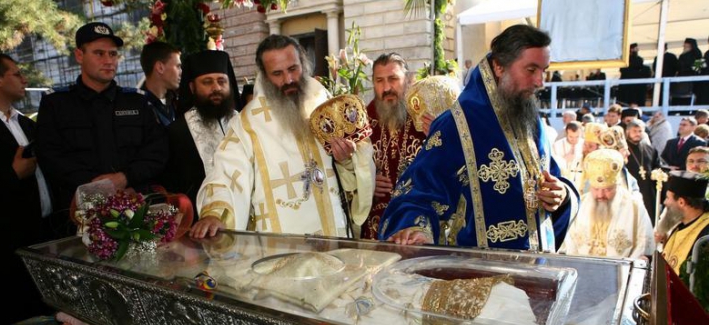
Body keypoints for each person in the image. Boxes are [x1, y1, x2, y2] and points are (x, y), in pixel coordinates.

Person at [379, 25, 578, 251]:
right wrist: (415, 229)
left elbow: (554, 177)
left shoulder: (530, 120)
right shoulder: (456, 125)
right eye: (531, 70)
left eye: (544, 70)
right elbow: (417, 192)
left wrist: (561, 194)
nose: (540, 82)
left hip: (538, 264)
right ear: (499, 67)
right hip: (482, 267)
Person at [191, 35, 374, 238]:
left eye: (293, 69)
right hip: (283, 246)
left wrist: (346, 160)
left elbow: (351, 167)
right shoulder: (249, 124)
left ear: (303, 64)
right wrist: (216, 214)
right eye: (277, 73)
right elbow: (227, 174)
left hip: (334, 236)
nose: (288, 80)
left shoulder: (323, 103)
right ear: (264, 76)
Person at [36, 22, 168, 234]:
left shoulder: (137, 101)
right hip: (79, 217)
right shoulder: (56, 104)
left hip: (136, 208)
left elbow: (157, 151)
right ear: (79, 55)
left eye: (113, 54)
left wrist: (125, 178)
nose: (108, 61)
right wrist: (99, 188)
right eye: (99, 53)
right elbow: (50, 155)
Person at [0, 52, 52, 325]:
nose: (25, 79)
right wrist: (12, 175)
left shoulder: (24, 122)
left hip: (40, 238)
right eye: (16, 73)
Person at [161, 50, 239, 216]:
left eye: (222, 81)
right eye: (207, 82)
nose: (216, 88)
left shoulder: (243, 123)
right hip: (201, 220)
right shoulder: (176, 132)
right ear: (192, 87)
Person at [361, 53, 427, 240]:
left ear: (408, 80)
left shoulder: (425, 117)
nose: (386, 88)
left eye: (393, 79)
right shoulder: (362, 121)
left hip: (415, 222)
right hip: (375, 228)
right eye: (379, 81)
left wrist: (437, 135)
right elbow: (347, 172)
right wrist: (367, 184)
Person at [561, 149, 654, 259]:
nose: (600, 195)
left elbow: (643, 245)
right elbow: (569, 242)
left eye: (607, 189)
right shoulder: (579, 205)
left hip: (622, 269)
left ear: (617, 185)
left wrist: (627, 267)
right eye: (596, 189)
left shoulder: (635, 208)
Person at [655, 147, 709, 245]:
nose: (694, 166)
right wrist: (663, 232)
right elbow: (668, 217)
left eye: (701, 161)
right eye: (690, 161)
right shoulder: (679, 187)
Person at [662, 171, 709, 271]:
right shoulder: (681, 225)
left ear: (681, 202)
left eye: (667, 198)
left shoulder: (705, 235)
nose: (665, 202)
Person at [139, 41, 182, 127]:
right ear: (160, 68)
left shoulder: (177, 101)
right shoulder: (139, 108)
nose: (181, 72)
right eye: (178, 66)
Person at [625, 119, 660, 222]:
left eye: (640, 131)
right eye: (634, 131)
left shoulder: (650, 149)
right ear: (628, 132)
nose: (637, 134)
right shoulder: (623, 150)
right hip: (630, 190)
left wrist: (657, 173)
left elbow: (657, 166)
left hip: (648, 191)